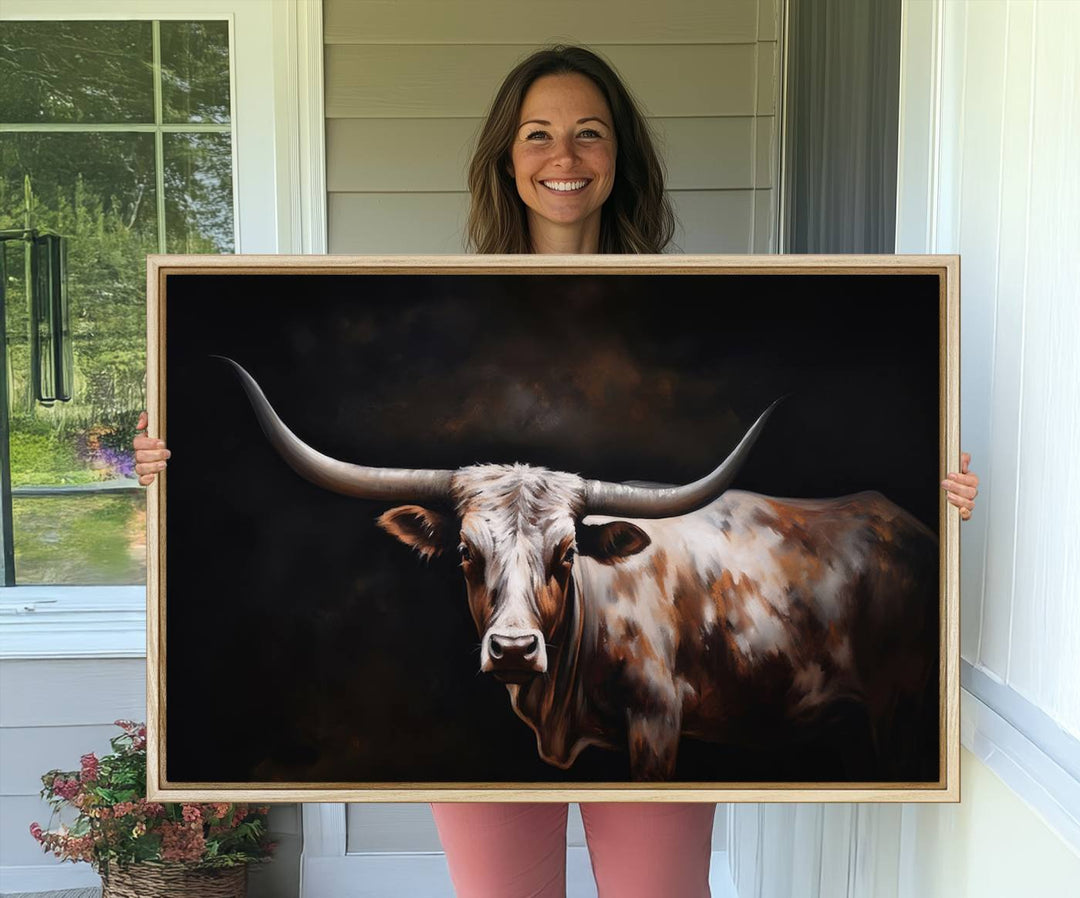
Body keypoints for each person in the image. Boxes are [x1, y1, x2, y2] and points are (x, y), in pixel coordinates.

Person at [134, 45, 979, 898]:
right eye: (538, 135)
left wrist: (933, 485)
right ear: (507, 157)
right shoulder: (434, 310)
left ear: (620, 159)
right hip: (492, 700)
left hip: (643, 656)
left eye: (589, 134)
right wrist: (171, 464)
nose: (563, 158)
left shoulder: (701, 307)